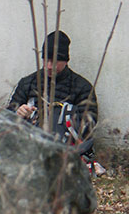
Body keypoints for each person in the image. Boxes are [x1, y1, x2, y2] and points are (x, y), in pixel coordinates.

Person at [7, 30, 100, 169]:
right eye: (46, 60)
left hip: (65, 147)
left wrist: (64, 117)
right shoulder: (28, 83)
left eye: (55, 61)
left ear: (66, 61)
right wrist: (19, 113)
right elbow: (7, 117)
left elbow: (89, 124)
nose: (50, 66)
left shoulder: (82, 87)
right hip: (30, 143)